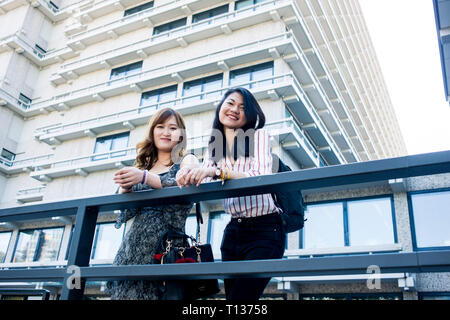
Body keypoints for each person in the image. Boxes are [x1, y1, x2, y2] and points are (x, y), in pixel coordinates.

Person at [177, 87, 285, 300]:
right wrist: (188, 167)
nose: (234, 109)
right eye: (230, 103)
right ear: (221, 106)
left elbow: (260, 174)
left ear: (251, 114)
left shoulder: (259, 136)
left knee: (241, 301)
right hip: (233, 231)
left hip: (266, 229)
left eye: (242, 107)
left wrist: (218, 171)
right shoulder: (215, 146)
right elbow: (204, 178)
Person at [105, 107, 198, 300]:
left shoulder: (187, 159)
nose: (166, 132)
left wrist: (145, 177)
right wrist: (126, 188)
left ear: (181, 135)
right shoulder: (142, 166)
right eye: (160, 126)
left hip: (165, 250)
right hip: (132, 249)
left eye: (172, 128)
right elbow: (125, 214)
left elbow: (184, 183)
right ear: (152, 131)